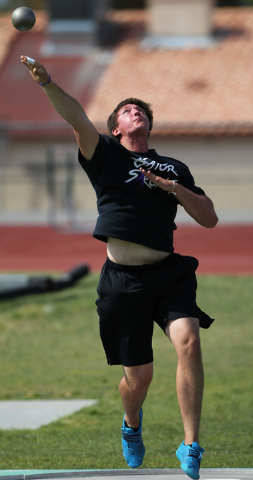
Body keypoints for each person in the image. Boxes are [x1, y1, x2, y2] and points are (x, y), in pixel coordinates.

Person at [21, 55, 218, 480]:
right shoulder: (105, 153)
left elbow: (209, 217)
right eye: (128, 111)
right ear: (116, 129)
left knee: (189, 342)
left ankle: (191, 444)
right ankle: (131, 424)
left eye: (142, 110)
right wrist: (47, 82)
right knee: (138, 379)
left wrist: (174, 188)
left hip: (168, 275)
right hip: (122, 283)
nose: (137, 112)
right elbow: (76, 117)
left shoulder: (173, 167)